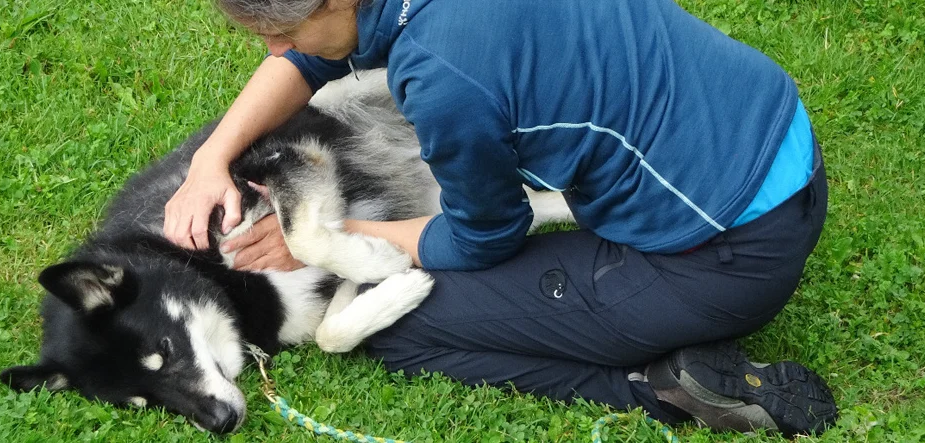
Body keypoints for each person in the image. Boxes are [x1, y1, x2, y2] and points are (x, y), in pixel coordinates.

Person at [163, 0, 838, 436]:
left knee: (392, 322)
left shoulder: (446, 75)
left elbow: (483, 234)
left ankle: (662, 388)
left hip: (725, 256)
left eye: (279, 34)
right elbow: (317, 53)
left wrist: (324, 243)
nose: (275, 53)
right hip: (773, 142)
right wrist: (209, 160)